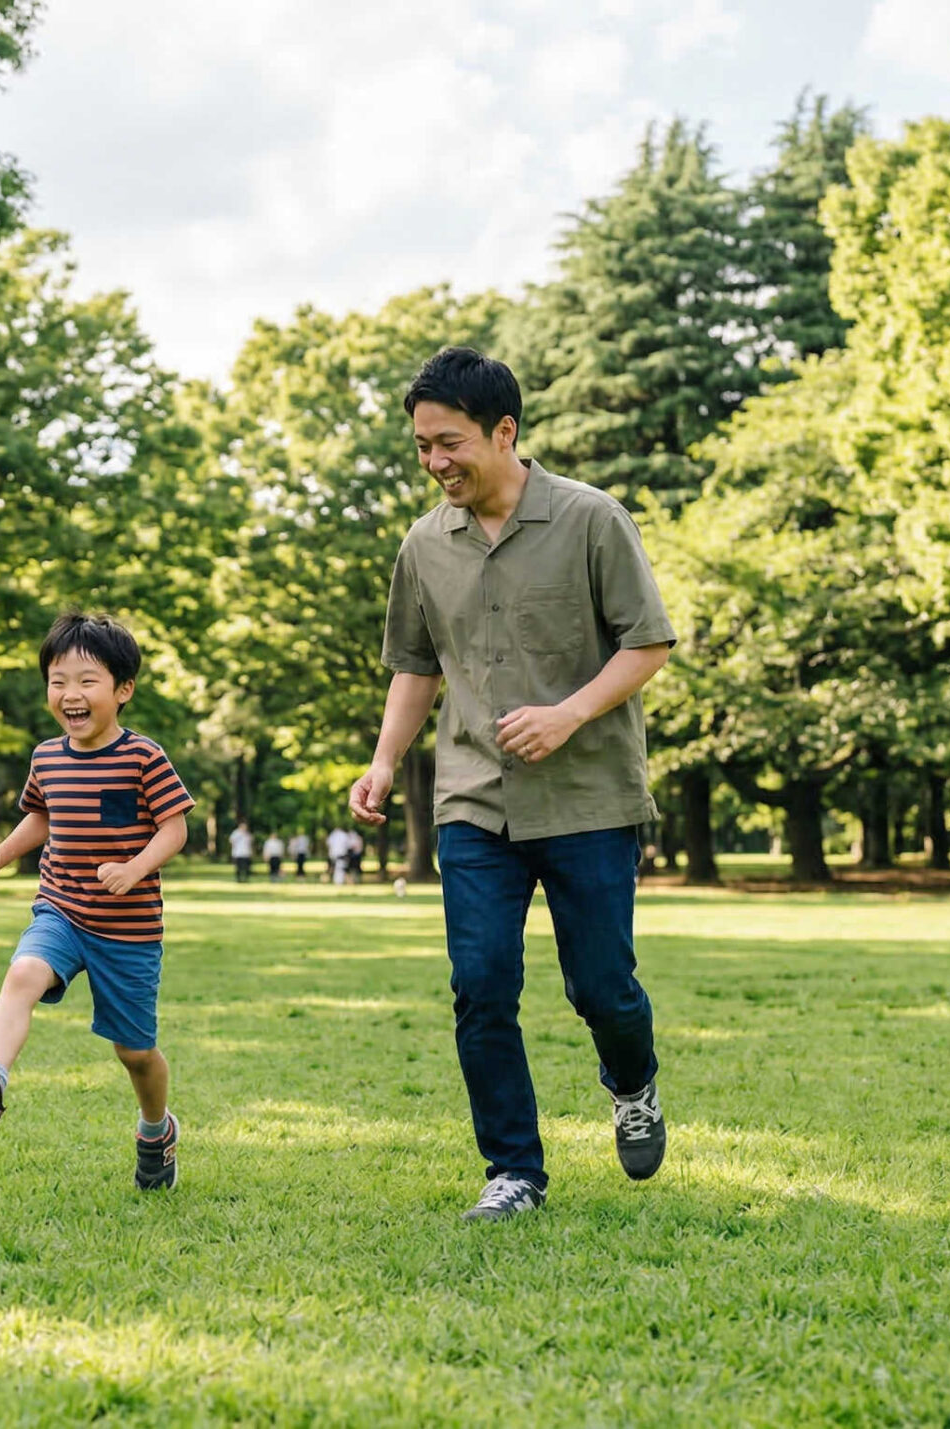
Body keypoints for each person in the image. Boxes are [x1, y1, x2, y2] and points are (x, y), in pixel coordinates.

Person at [348, 346, 675, 1222]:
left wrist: (568, 713)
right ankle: (514, 1170)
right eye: (421, 446)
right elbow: (417, 666)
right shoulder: (424, 543)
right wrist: (385, 759)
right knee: (481, 982)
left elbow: (648, 643)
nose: (435, 462)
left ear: (505, 431)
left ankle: (633, 1079)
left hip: (587, 796)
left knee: (601, 985)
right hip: (472, 797)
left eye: (448, 442)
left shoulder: (592, 519)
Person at [0, 612, 195, 1191]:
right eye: (58, 680)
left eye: (86, 681)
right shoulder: (47, 757)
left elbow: (174, 829)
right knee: (23, 972)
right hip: (61, 908)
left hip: (127, 930)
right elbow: (41, 818)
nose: (70, 694)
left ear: (123, 690)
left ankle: (156, 1128)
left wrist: (134, 867)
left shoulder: (143, 757)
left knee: (136, 1053)